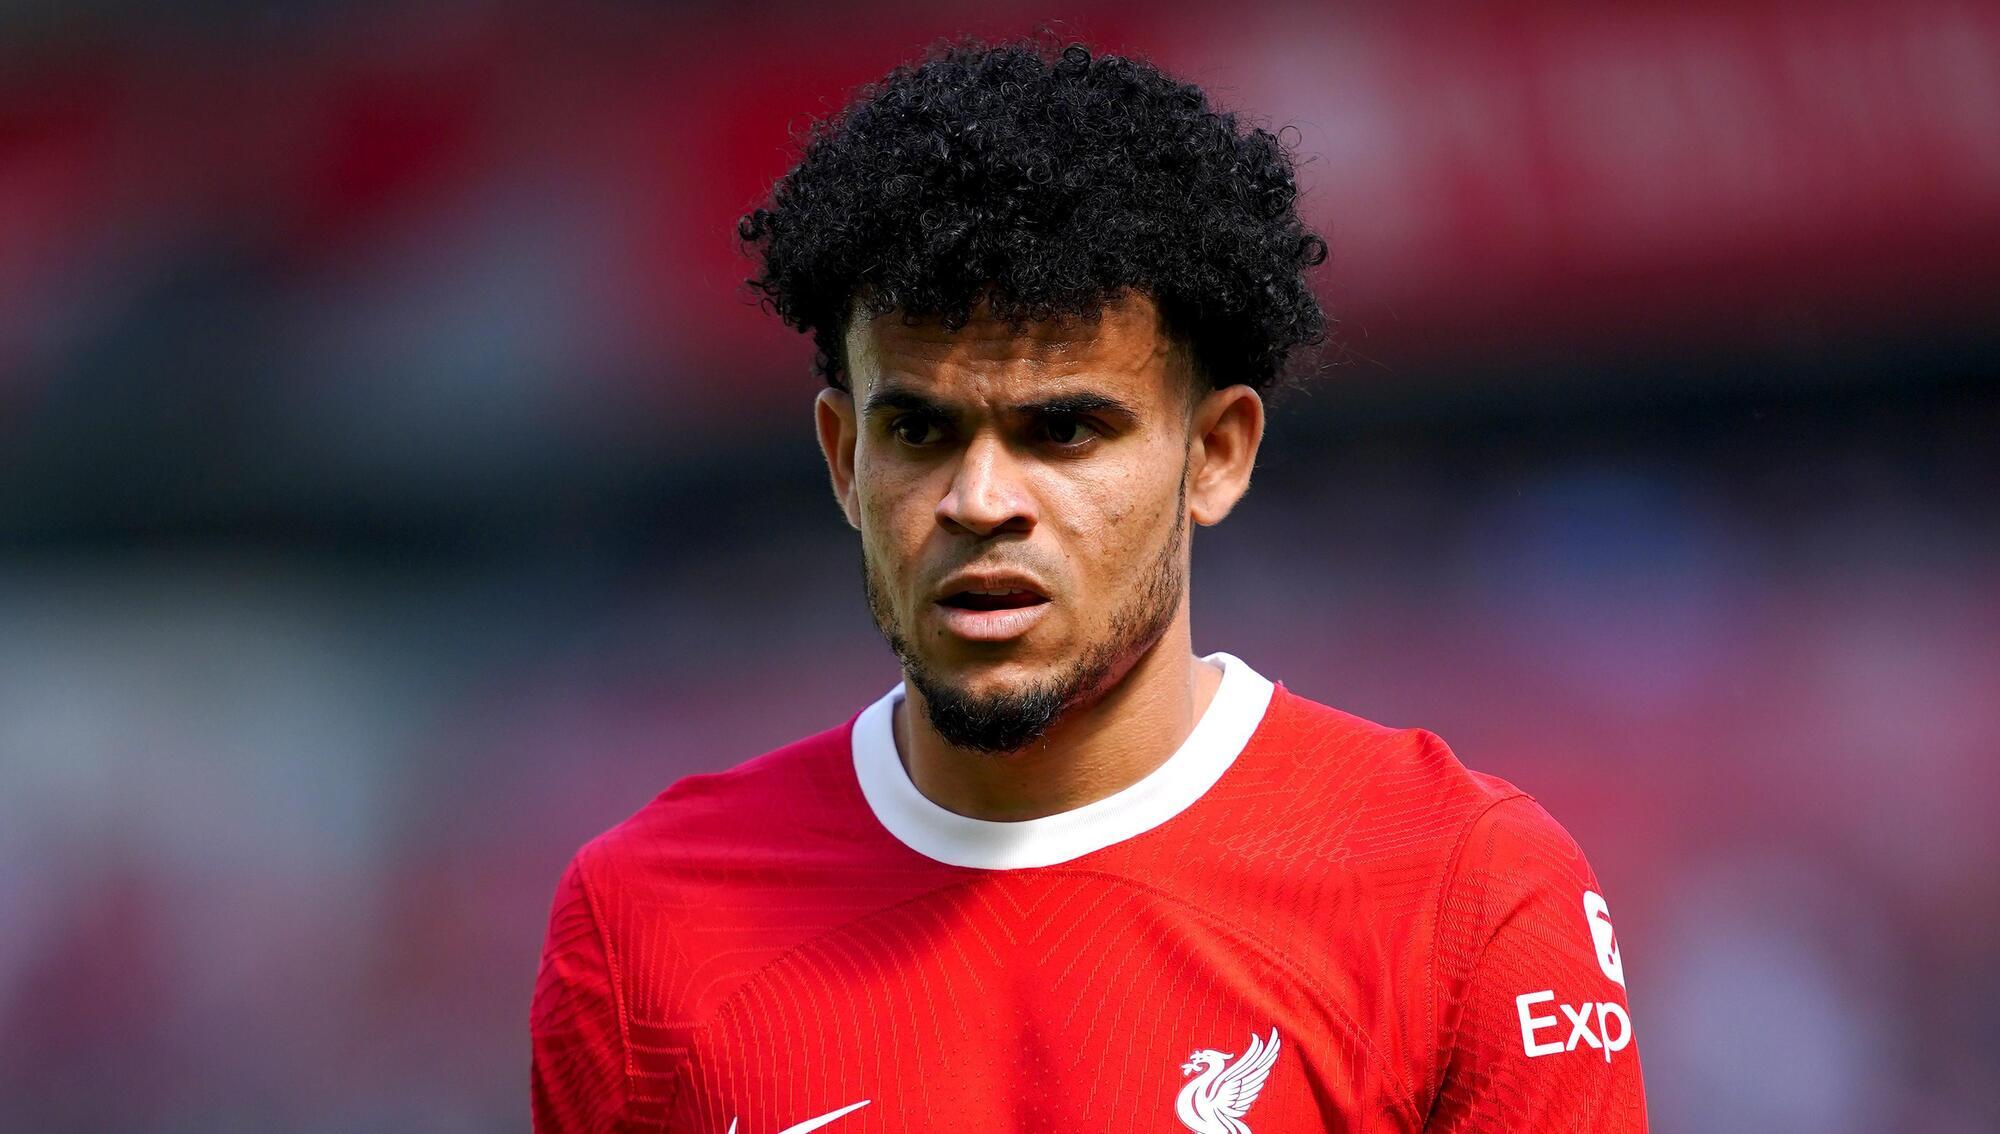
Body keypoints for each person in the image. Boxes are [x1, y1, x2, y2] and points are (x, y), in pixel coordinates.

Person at [531, 38, 1646, 1133]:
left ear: (1214, 454)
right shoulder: (642, 923)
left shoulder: (1465, 894)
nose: (979, 501)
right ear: (842, 458)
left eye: (1062, 430)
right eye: (917, 431)